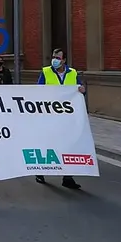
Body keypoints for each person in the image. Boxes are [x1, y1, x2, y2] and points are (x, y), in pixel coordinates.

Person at [35, 48, 86, 189]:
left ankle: (67, 177)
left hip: (67, 117)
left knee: (68, 145)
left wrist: (82, 90)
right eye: (53, 57)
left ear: (64, 60)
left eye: (58, 57)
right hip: (49, 115)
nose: (55, 60)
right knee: (47, 144)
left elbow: (79, 90)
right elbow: (37, 91)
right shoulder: (46, 72)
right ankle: (40, 171)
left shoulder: (73, 73)